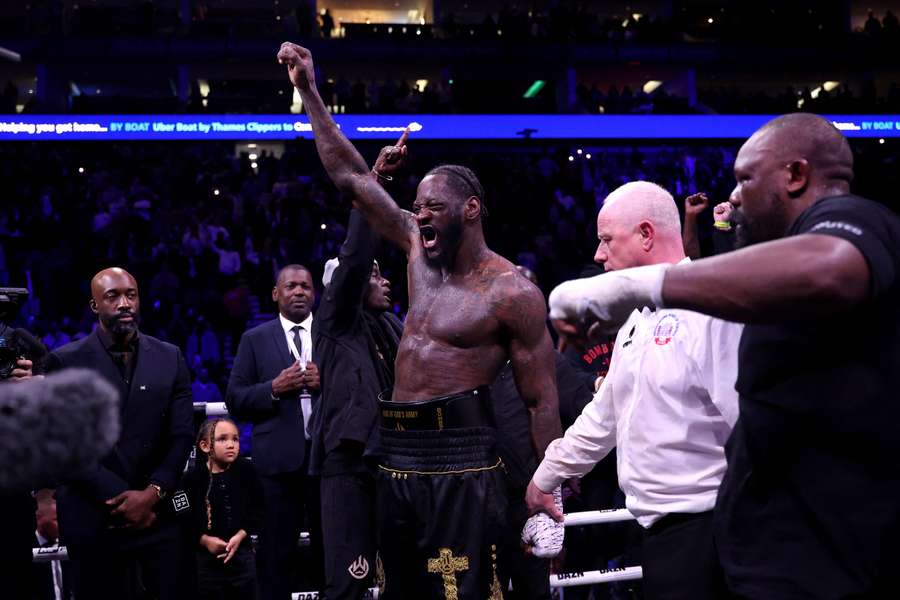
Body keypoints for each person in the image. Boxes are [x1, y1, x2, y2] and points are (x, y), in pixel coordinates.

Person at [547, 113, 900, 597]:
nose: (732, 197)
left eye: (745, 179)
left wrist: (643, 285)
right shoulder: (766, 288)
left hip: (820, 539)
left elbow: (831, 268)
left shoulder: (857, 218)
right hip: (779, 535)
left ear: (795, 176)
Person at [278, 42, 562, 599]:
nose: (421, 213)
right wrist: (309, 90)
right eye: (417, 205)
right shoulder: (414, 247)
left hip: (464, 456)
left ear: (471, 209)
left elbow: (541, 400)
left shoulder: (512, 292)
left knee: (460, 592)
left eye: (433, 205)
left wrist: (549, 491)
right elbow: (352, 180)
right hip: (397, 452)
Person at [528, 181, 741, 599]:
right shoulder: (635, 320)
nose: (598, 254)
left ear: (646, 235)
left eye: (607, 239)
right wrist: (545, 477)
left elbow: (750, 426)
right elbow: (604, 416)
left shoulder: (706, 310)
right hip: (657, 532)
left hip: (712, 531)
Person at [43, 267, 194, 600]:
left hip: (159, 512)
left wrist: (152, 494)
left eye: (131, 295)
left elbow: (182, 434)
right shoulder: (64, 362)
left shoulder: (170, 357)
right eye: (113, 296)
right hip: (94, 513)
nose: (125, 303)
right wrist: (126, 500)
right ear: (95, 305)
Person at [311, 188, 403, 599]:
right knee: (351, 579)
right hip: (349, 462)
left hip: (393, 459)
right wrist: (368, 197)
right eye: (375, 275)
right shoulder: (335, 322)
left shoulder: (392, 326)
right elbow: (353, 263)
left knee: (403, 573)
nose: (385, 282)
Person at [226, 264, 323, 600]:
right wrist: (273, 388)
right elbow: (235, 398)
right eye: (291, 286)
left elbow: (357, 388)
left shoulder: (331, 333)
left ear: (315, 293)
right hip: (277, 468)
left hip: (328, 462)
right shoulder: (255, 339)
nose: (299, 292)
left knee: (331, 553)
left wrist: (326, 384)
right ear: (275, 294)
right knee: (274, 559)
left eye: (306, 287)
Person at [183, 417, 264, 600]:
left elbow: (259, 507)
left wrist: (241, 534)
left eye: (235, 439)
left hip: (242, 556)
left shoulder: (247, 470)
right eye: (222, 439)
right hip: (204, 562)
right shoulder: (189, 479)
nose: (231, 444)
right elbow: (180, 514)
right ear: (205, 446)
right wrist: (203, 540)